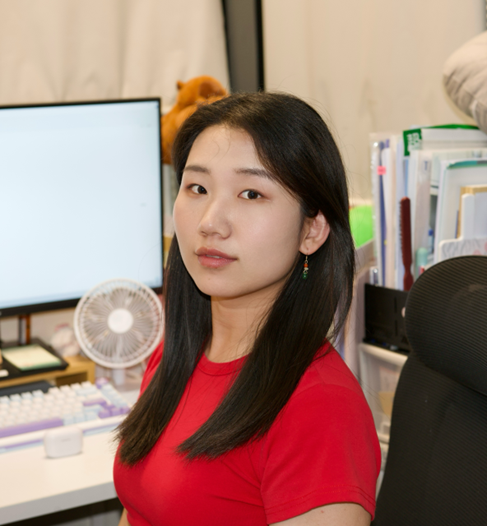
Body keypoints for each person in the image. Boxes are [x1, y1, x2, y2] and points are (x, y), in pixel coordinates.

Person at [114, 92, 380, 526]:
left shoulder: (319, 408)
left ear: (311, 231)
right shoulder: (176, 355)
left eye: (251, 194)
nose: (210, 223)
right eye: (197, 188)